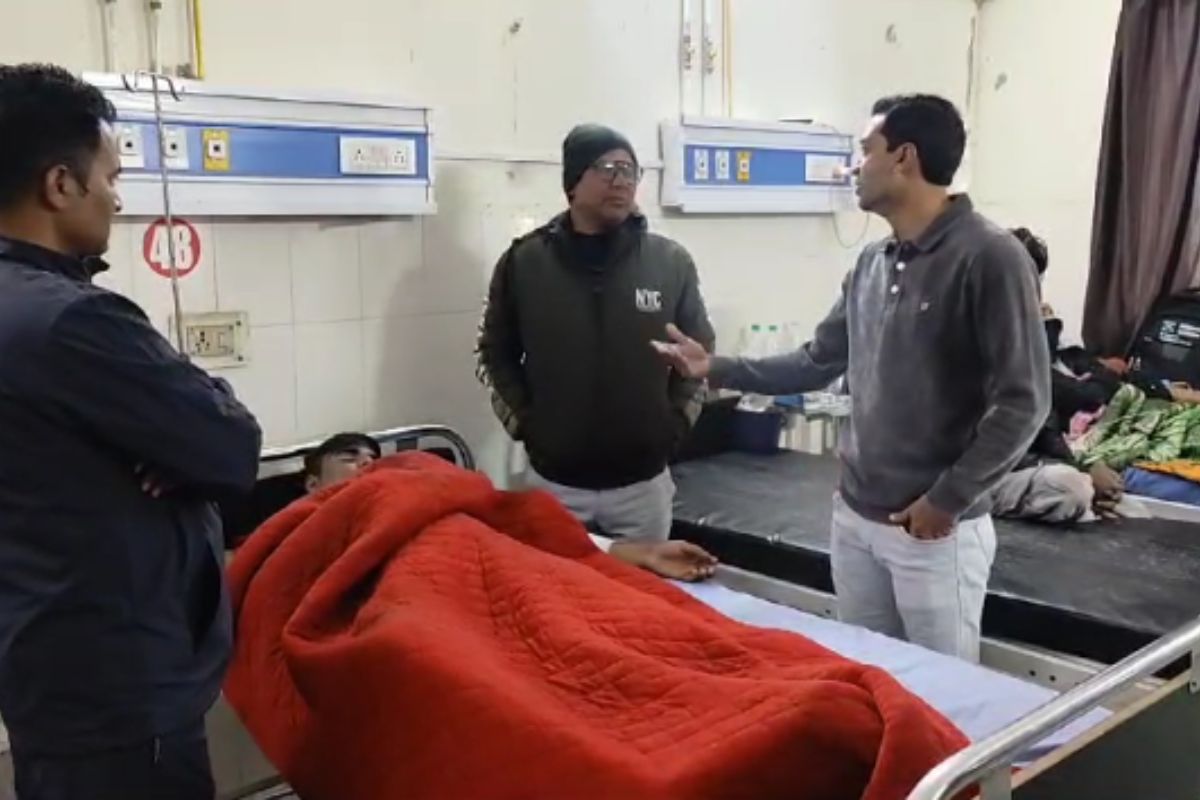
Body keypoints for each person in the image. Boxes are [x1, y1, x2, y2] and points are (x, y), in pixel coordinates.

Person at [654, 95, 1049, 662]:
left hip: (931, 533)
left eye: (865, 152)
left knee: (943, 692)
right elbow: (816, 361)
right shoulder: (871, 263)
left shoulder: (990, 257)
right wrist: (715, 367)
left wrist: (947, 501)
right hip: (856, 520)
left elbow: (1024, 402)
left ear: (903, 158)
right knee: (866, 674)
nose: (852, 168)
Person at [0, 64, 262, 800]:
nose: (117, 197)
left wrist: (174, 441)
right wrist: (182, 440)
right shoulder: (73, 321)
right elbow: (231, 446)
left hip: (41, 663)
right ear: (60, 184)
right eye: (111, 177)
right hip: (121, 688)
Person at [476, 124, 716, 543]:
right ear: (573, 181)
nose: (621, 181)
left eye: (630, 170)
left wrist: (673, 425)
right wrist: (528, 424)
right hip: (555, 485)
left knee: (641, 586)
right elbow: (495, 353)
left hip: (642, 488)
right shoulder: (526, 263)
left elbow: (700, 353)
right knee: (554, 583)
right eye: (607, 169)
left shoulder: (668, 262)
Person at [302, 432, 719, 582]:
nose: (368, 464)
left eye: (373, 458)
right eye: (350, 458)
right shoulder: (303, 530)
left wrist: (644, 553)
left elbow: (529, 533)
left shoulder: (429, 495)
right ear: (313, 485)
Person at [988, 228, 1124, 523]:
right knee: (1071, 488)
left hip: (1002, 472)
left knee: (1072, 487)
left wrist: (1082, 471)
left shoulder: (1025, 341)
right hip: (950, 478)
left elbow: (1044, 424)